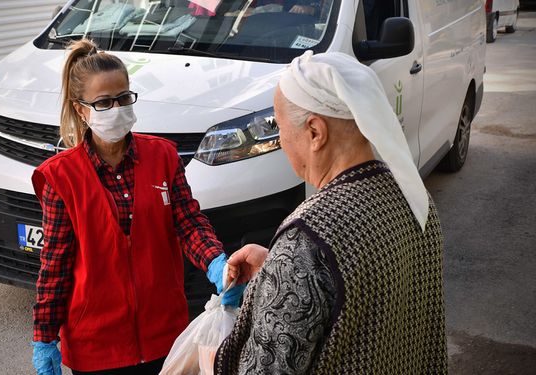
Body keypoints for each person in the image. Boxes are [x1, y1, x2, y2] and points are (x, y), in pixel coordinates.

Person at [214, 51, 448, 374]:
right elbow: (366, 293)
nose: (280, 141)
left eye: (278, 126)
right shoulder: (412, 196)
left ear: (315, 132)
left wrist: (287, 269)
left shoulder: (307, 238)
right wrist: (276, 270)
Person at [30, 38, 244, 375]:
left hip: (166, 336)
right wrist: (45, 337)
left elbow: (188, 224)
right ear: (80, 109)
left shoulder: (163, 156)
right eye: (104, 103)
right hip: (97, 347)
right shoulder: (61, 177)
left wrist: (216, 263)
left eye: (123, 98)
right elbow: (54, 266)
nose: (116, 109)